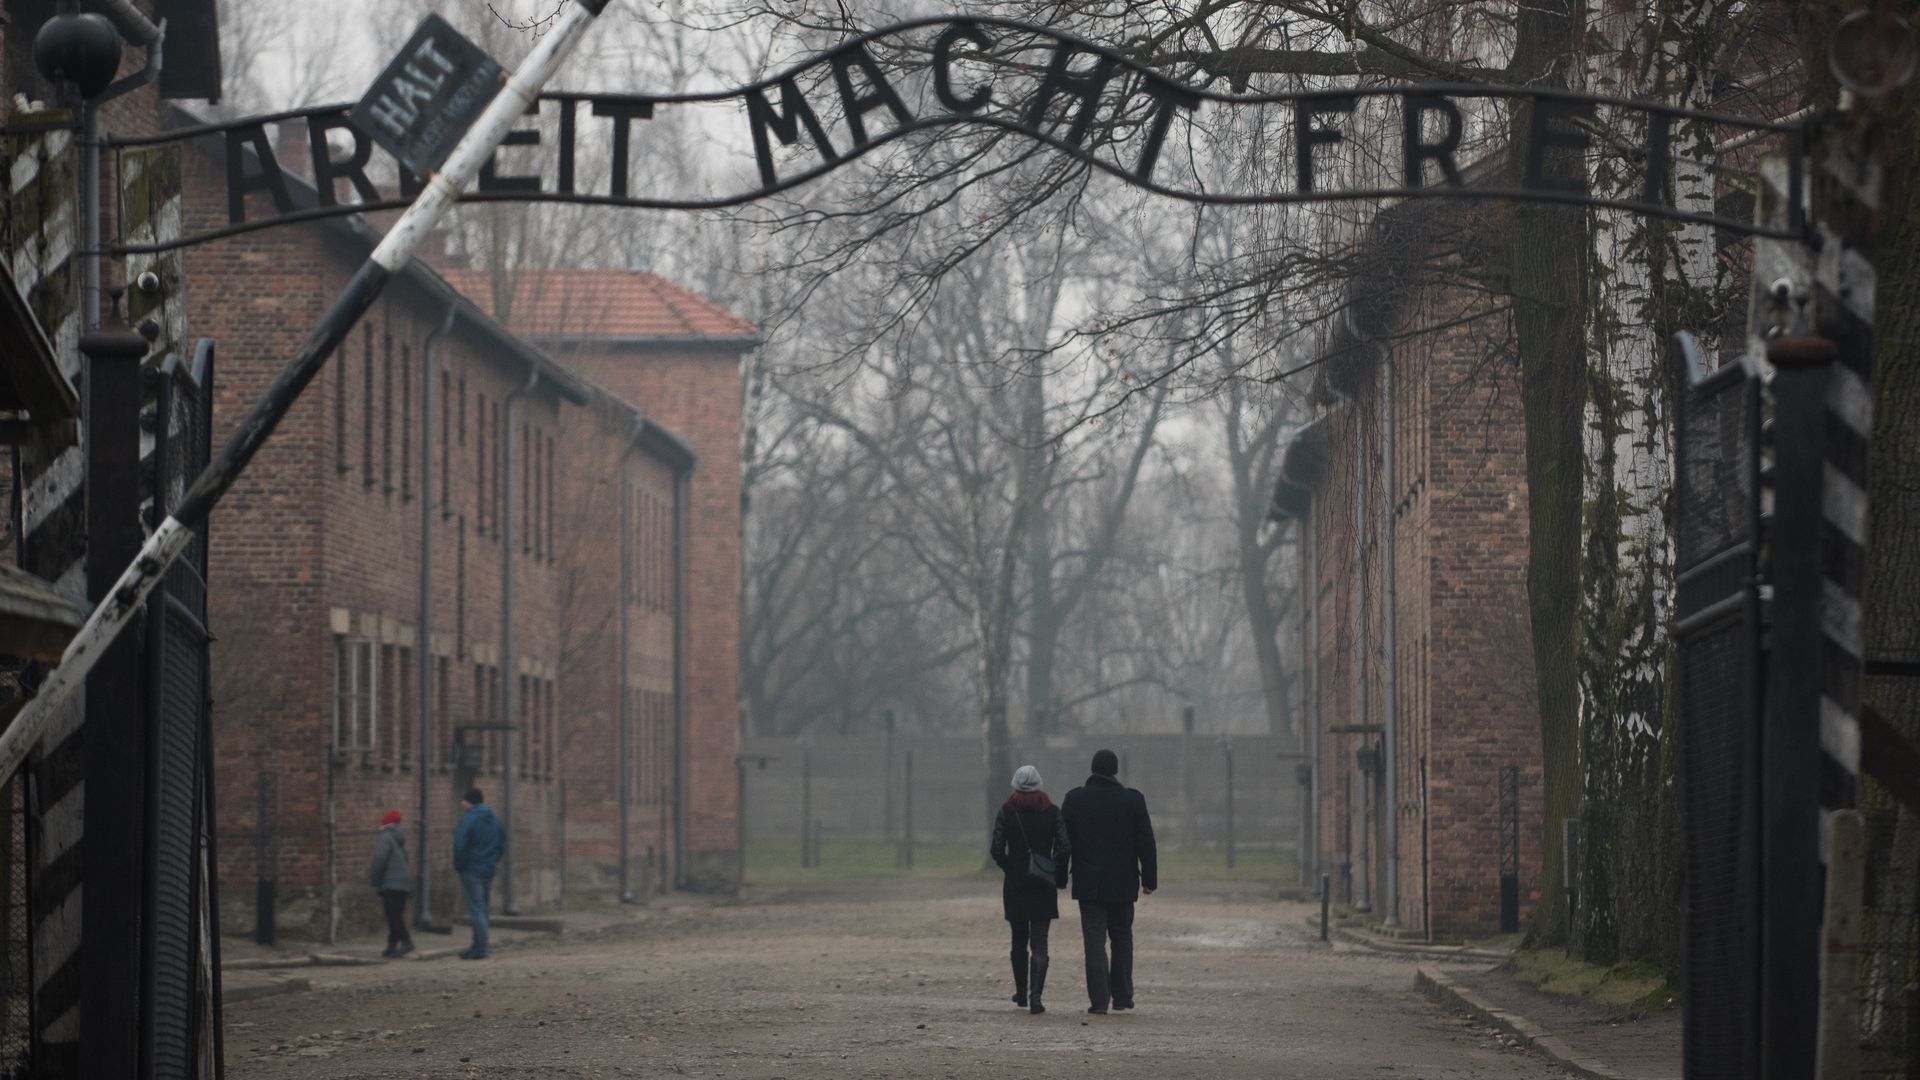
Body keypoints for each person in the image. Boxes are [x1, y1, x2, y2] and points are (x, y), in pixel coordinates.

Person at [1061, 749, 1157, 1015]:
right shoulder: (1133, 800)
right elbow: (1146, 842)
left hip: (1088, 882)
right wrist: (1149, 879)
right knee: (1122, 938)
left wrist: (1059, 876)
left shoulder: (1074, 799)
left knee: (1094, 941)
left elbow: (1063, 844)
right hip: (1123, 882)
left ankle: (1099, 1000)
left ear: (1092, 769)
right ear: (1115, 770)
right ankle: (1123, 995)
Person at [989, 765, 1071, 1015]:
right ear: (1039, 785)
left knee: (1018, 940)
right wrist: (1053, 870)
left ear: (1015, 785)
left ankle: (1021, 992)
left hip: (1015, 883)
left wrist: (1010, 867)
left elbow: (996, 848)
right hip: (1042, 883)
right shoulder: (1053, 811)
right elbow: (1065, 847)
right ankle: (1036, 997)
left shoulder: (1006, 811)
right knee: (1040, 942)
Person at [452, 787, 504, 960]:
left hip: (471, 869)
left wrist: (460, 865)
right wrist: (492, 861)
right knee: (482, 908)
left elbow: (459, 845)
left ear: (470, 802)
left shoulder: (469, 820)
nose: (462, 803)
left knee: (476, 909)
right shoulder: (494, 819)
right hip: (487, 869)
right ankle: (477, 945)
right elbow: (502, 844)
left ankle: (480, 948)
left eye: (464, 800)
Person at [370, 809, 416, 958]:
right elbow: (406, 859)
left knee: (393, 916)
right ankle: (391, 945)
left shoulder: (385, 836)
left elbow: (380, 858)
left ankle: (407, 941)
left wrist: (375, 879)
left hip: (391, 883)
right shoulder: (399, 838)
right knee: (396, 914)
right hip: (403, 883)